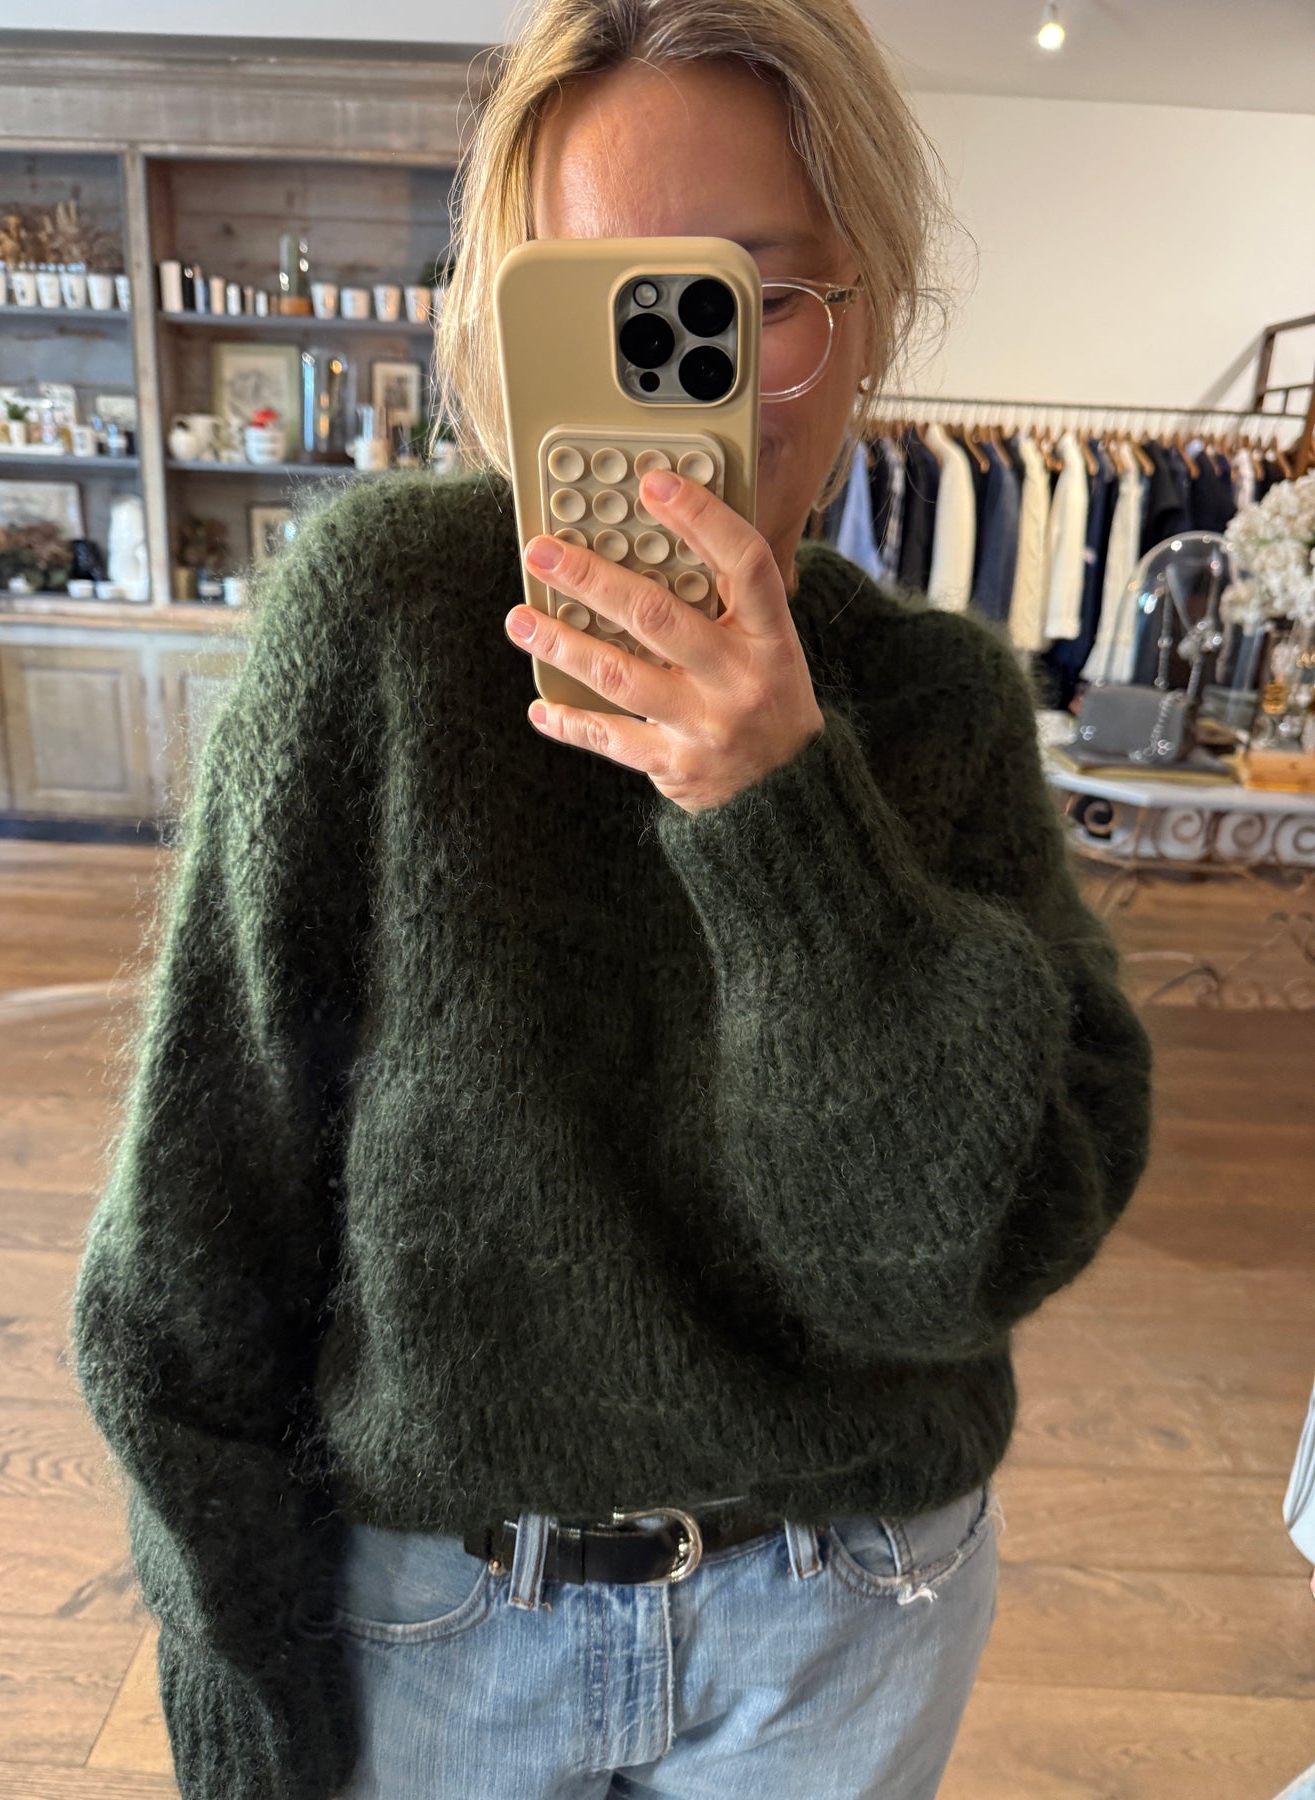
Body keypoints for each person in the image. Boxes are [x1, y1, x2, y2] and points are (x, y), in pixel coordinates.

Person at [68, 3, 1154, 1797]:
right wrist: (234, 1675)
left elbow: (954, 1270)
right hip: (435, 1619)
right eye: (600, 302)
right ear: (506, 326)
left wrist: (780, 816)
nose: (674, 385)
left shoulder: (936, 707)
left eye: (746, 297)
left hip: (843, 1621)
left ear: (860, 309)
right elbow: (199, 1223)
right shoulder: (385, 630)